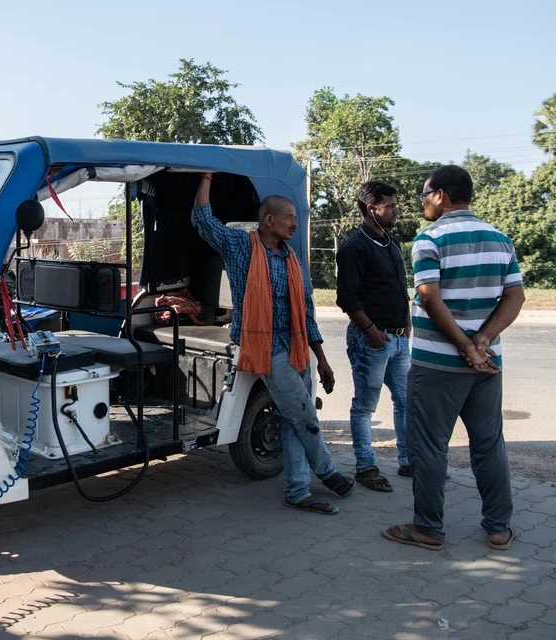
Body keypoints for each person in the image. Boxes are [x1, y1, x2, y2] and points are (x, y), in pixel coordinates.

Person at [192, 173, 355, 514]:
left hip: (297, 348)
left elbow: (307, 312)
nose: (296, 224)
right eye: (290, 218)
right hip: (268, 350)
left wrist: (321, 359)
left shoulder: (290, 259)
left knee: (293, 417)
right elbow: (203, 220)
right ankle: (327, 472)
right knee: (305, 416)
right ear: (269, 221)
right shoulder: (240, 247)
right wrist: (206, 175)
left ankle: (297, 490)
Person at [383, 165, 524, 551]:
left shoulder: (430, 237)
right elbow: (515, 297)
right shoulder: (500, 239)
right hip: (487, 363)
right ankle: (498, 528)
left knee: (429, 445)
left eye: (425, 194)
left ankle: (428, 528)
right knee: (489, 443)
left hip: (438, 364)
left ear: (442, 194)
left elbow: (429, 295)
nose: (422, 201)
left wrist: (464, 346)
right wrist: (482, 340)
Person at [335, 181, 411, 491]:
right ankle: (366, 467)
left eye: (395, 205)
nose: (396, 211)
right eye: (390, 206)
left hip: (399, 340)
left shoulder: (390, 242)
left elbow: (401, 285)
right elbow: (347, 298)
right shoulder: (354, 247)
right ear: (372, 209)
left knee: (407, 402)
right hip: (371, 341)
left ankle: (408, 461)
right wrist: (371, 330)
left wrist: (406, 321)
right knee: (365, 406)